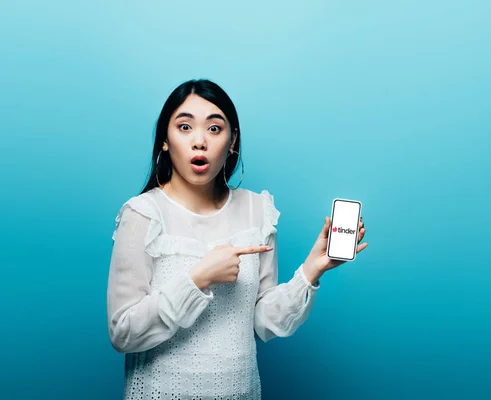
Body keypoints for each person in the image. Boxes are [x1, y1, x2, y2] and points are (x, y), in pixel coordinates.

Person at [106, 79, 368, 400]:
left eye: (214, 129)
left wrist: (310, 271)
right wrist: (198, 278)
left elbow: (261, 323)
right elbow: (122, 332)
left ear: (232, 142)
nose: (199, 141)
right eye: (185, 127)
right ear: (164, 140)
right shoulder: (143, 214)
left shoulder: (257, 210)